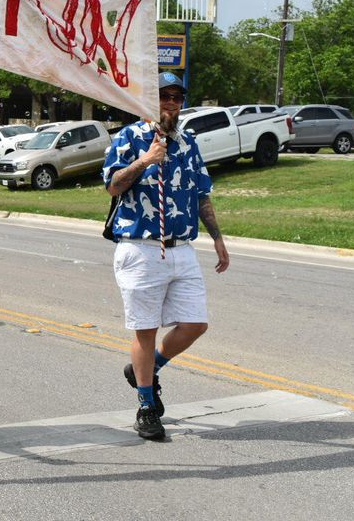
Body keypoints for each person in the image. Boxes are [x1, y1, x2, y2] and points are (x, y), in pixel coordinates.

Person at [102, 71, 230, 442]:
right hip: (141, 247)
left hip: (181, 248)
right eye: (163, 96)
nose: (171, 102)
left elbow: (201, 193)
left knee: (195, 324)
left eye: (177, 97)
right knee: (145, 330)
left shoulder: (188, 142)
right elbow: (112, 185)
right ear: (148, 99)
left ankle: (147, 368)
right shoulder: (128, 138)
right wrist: (145, 160)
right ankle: (145, 406)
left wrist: (219, 239)